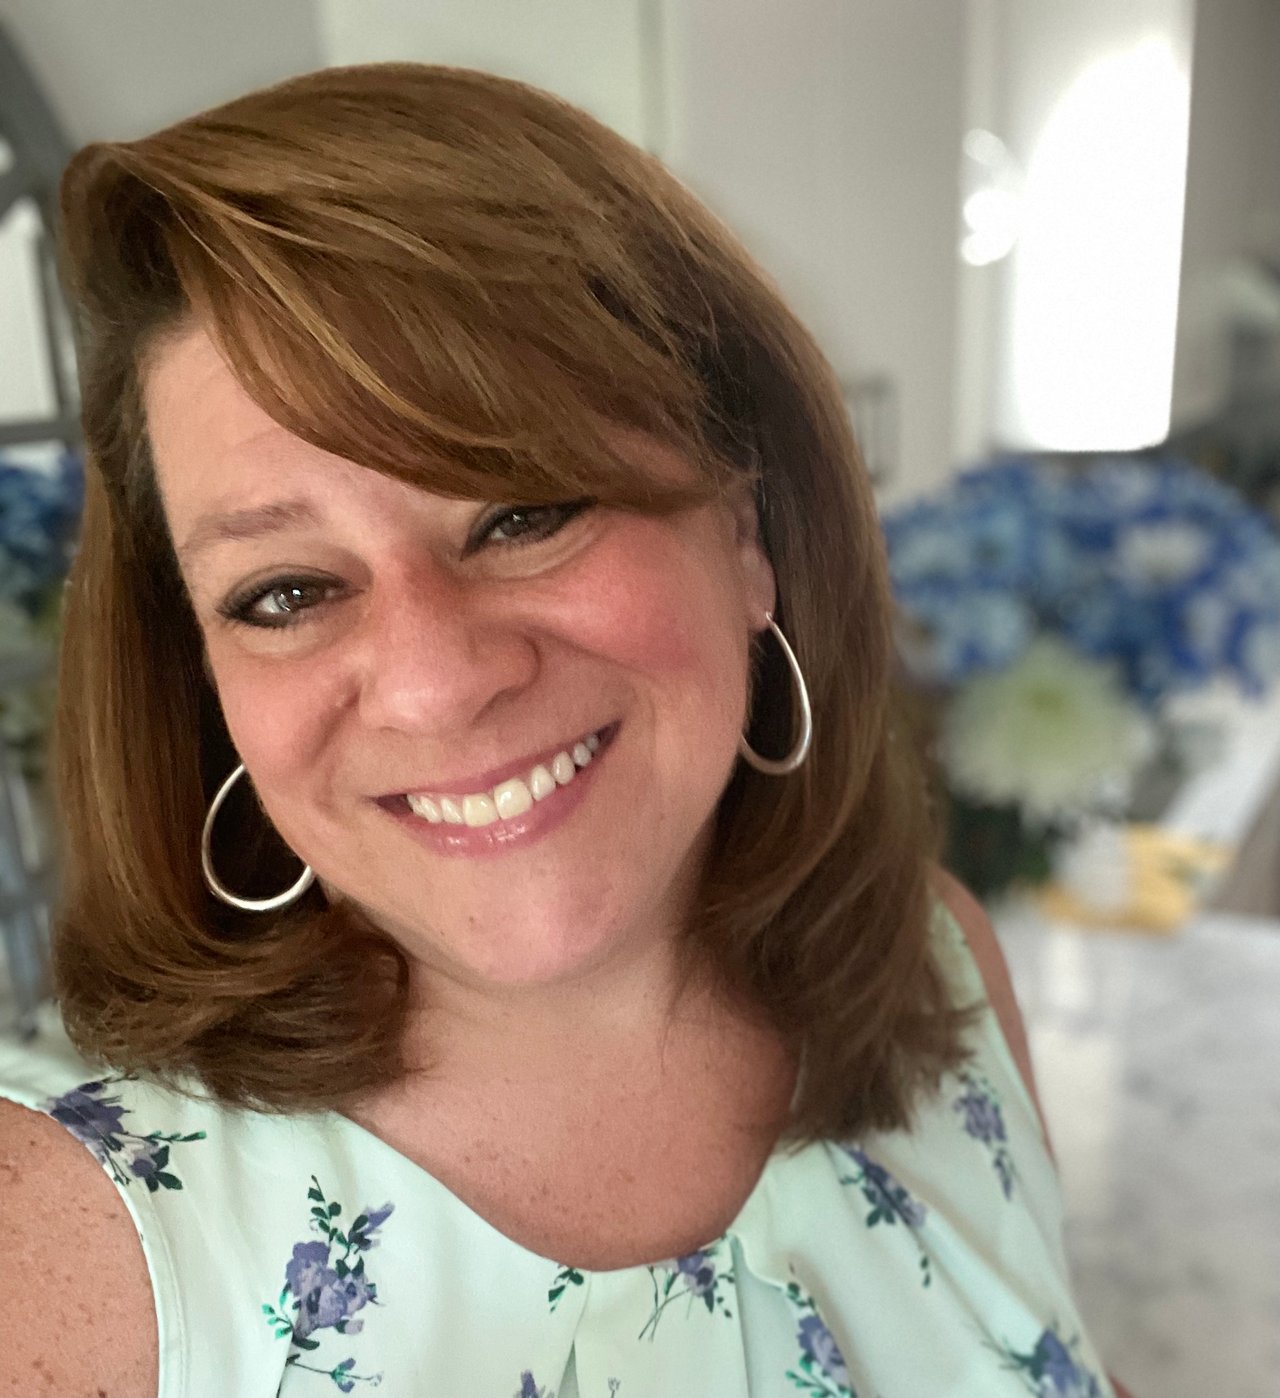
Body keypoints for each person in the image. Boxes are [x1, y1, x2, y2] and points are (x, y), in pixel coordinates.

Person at [0, 64, 1125, 1398]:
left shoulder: (936, 961)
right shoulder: (54, 1241)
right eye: (286, 592)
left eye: (521, 512)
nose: (434, 682)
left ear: (746, 534)